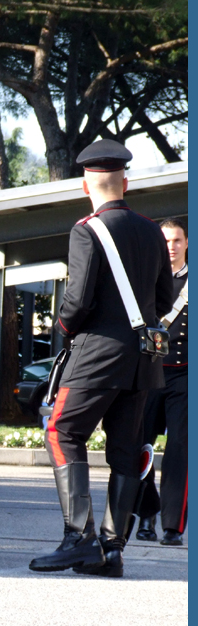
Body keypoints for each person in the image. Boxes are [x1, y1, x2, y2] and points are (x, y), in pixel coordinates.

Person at [30, 139, 174, 577]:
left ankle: (79, 537)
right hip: (143, 360)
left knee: (60, 429)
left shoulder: (86, 230)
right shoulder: (152, 231)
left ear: (85, 184)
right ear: (124, 182)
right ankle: (112, 551)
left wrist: (62, 328)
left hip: (97, 356)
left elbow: (77, 301)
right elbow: (164, 298)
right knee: (127, 451)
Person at [134, 218, 188, 545]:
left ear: (187, 244)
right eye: (166, 240)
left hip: (185, 374)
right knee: (137, 446)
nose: (171, 246)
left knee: (180, 449)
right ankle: (147, 513)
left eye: (177, 240)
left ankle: (172, 526)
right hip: (151, 372)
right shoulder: (145, 281)